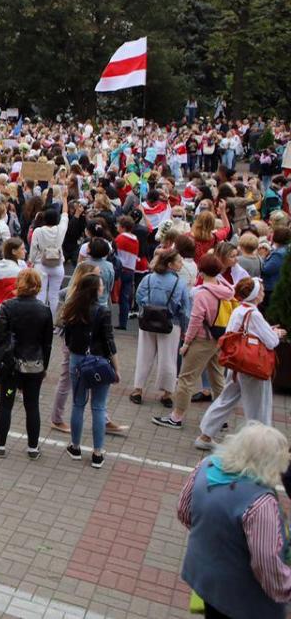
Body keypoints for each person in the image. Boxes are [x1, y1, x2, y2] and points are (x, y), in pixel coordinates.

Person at [178, 422, 291, 618]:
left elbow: (184, 511)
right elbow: (267, 565)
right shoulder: (260, 502)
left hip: (205, 579)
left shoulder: (205, 466)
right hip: (244, 598)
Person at [198, 277, 286, 448]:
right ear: (254, 295)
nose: (262, 293)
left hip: (237, 363)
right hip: (253, 367)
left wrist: (269, 331)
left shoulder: (239, 310)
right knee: (258, 407)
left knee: (226, 399)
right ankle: (258, 446)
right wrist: (277, 333)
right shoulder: (254, 314)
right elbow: (271, 342)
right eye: (260, 290)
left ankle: (205, 435)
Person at [153, 253, 231, 430]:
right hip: (219, 338)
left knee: (186, 379)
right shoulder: (224, 288)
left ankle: (177, 417)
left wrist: (187, 342)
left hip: (202, 339)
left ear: (201, 271)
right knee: (218, 378)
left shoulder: (202, 293)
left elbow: (196, 320)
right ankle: (221, 418)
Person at [0, 269, 53, 458]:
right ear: (38, 286)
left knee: (6, 403)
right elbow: (47, 343)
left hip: (11, 368)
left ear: (19, 284)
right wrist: (45, 367)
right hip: (34, 366)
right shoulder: (45, 310)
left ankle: (0, 445)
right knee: (32, 405)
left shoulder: (8, 306)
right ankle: (33, 448)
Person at [60, 270, 119, 468]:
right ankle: (97, 453)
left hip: (77, 359)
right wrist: (116, 369)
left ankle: (75, 447)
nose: (103, 287)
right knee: (99, 407)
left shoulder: (72, 309)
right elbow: (109, 342)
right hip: (100, 361)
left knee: (78, 404)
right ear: (95, 290)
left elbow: (67, 338)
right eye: (101, 285)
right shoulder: (103, 311)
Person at [131, 249, 191, 406]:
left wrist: (147, 307)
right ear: (170, 265)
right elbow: (185, 309)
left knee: (144, 356)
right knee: (168, 359)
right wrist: (185, 330)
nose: (181, 263)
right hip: (171, 324)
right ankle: (166, 394)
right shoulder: (180, 283)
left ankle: (138, 390)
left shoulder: (149, 278)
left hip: (148, 322)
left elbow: (138, 295)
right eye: (179, 261)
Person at [27, 195, 69, 320]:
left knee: (40, 293)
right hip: (57, 264)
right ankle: (51, 320)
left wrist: (31, 261)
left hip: (41, 264)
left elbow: (33, 249)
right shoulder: (60, 229)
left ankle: (39, 319)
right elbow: (65, 215)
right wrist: (65, 198)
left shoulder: (38, 231)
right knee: (54, 295)